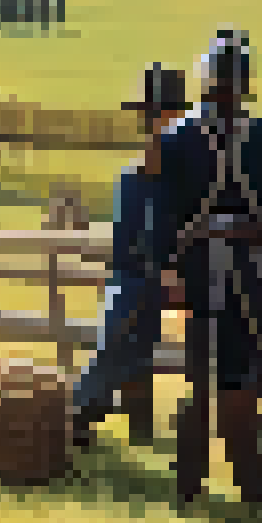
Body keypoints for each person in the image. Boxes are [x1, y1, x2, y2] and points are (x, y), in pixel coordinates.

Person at [152, 30, 262, 508]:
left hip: (197, 269)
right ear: (243, 86)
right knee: (241, 379)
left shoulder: (175, 137)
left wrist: (170, 271)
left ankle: (190, 485)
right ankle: (249, 485)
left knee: (200, 378)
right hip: (251, 271)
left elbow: (162, 218)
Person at [69, 64, 192, 449]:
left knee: (130, 352)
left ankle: (118, 427)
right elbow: (145, 232)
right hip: (138, 275)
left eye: (156, 112)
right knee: (119, 350)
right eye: (151, 114)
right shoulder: (147, 170)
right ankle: (75, 420)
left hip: (141, 275)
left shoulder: (158, 169)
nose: (153, 120)